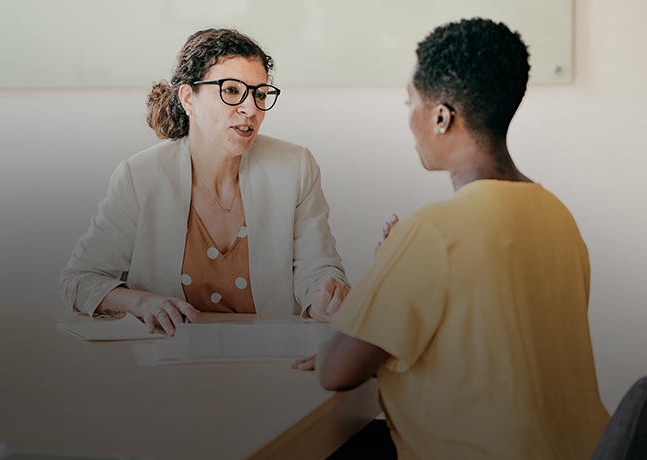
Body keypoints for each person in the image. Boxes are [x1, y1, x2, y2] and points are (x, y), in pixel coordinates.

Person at [293, 18, 609, 459]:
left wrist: (382, 278)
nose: (409, 119)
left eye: (411, 103)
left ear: (441, 116)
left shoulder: (431, 232)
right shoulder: (557, 215)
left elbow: (333, 369)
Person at [60, 29, 349, 334]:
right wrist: (142, 303)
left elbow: (319, 268)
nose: (251, 109)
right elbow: (79, 280)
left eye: (260, 93)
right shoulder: (140, 176)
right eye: (232, 90)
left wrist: (324, 295)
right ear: (189, 98)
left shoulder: (295, 167)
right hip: (165, 362)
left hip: (268, 359)